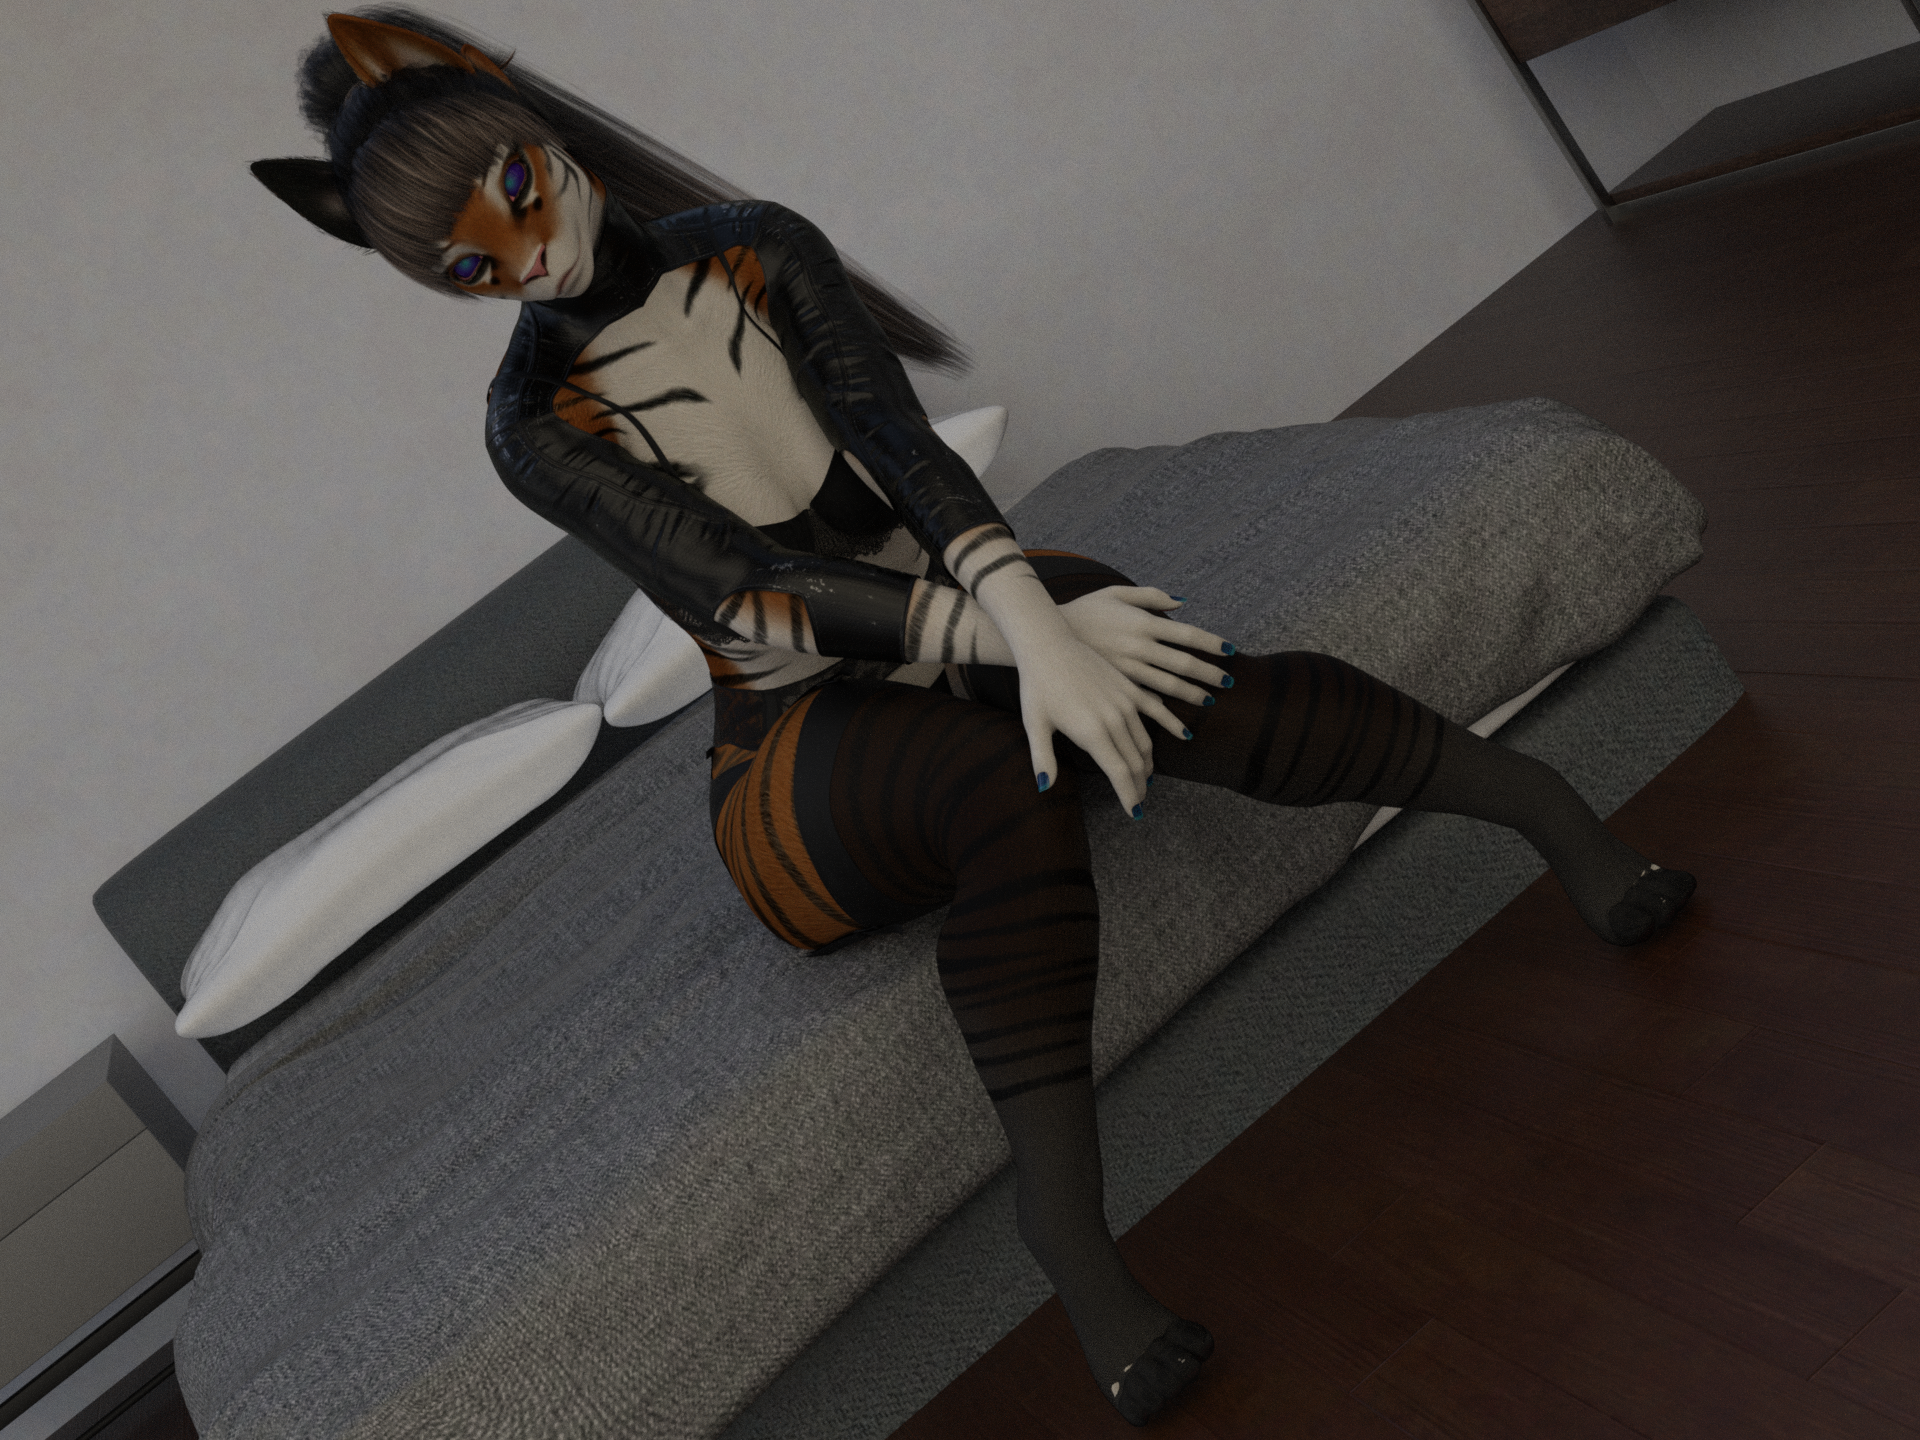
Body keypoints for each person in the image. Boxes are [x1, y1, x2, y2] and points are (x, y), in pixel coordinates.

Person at [255, 9, 1697, 1425]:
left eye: (516, 189)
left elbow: (903, 449)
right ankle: (1069, 1240)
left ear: (533, 122)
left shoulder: (756, 245)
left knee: (1169, 674)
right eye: (468, 266)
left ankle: (1551, 813)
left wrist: (1032, 617)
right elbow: (756, 596)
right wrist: (1020, 641)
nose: (528, 255)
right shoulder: (532, 427)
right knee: (999, 775)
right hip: (794, 752)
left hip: (958, 604)